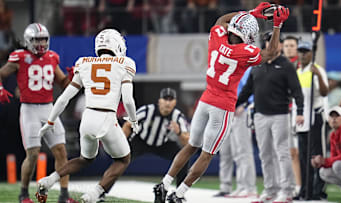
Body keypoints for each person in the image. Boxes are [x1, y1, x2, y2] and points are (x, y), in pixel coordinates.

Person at [153, 3, 290, 203]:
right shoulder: (245, 51)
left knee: (191, 145)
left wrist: (249, 14)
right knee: (206, 155)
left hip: (206, 98)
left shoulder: (217, 36)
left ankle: (164, 184)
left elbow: (222, 20)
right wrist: (277, 25)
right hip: (222, 105)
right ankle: (179, 194)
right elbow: (270, 54)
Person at [35, 28, 138, 203]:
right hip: (107, 118)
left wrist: (50, 121)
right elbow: (128, 99)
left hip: (87, 117)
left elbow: (64, 98)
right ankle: (93, 195)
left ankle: (49, 180)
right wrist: (133, 120)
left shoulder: (84, 63)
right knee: (123, 159)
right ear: (118, 45)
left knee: (85, 159)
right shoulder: (125, 63)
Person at [0, 23, 76, 203]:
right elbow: (1, 73)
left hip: (49, 109)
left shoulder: (52, 57)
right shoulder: (20, 57)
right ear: (28, 41)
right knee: (33, 154)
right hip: (29, 109)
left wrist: (73, 78)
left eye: (43, 39)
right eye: (36, 40)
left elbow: (63, 83)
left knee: (61, 152)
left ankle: (64, 194)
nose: (41, 43)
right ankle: (24, 193)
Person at [237, 31, 304, 203]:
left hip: (280, 115)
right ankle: (270, 190)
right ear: (265, 44)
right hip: (260, 115)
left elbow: (297, 91)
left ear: (280, 45)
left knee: (282, 153)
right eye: (268, 41)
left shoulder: (286, 65)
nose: (272, 44)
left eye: (275, 42)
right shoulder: (257, 64)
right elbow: (247, 90)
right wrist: (233, 104)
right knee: (265, 154)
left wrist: (301, 111)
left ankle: (287, 190)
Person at [293, 40, 329, 200]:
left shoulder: (317, 70)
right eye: (300, 51)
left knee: (317, 156)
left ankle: (318, 191)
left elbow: (324, 92)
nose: (302, 54)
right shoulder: (297, 71)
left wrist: (319, 76)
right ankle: (305, 191)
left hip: (315, 116)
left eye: (306, 51)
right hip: (301, 120)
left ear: (311, 53)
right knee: (303, 157)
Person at [214, 66, 257, 198]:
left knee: (244, 151)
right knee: (229, 151)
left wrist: (244, 105)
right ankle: (237, 186)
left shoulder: (248, 67)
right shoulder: (224, 66)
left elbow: (254, 88)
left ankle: (249, 188)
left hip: (240, 111)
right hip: (226, 111)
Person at [312, 106, 341, 203]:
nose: (334, 119)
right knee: (324, 172)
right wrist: (322, 162)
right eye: (331, 116)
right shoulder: (334, 134)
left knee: (338, 165)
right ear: (328, 120)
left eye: (337, 116)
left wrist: (325, 161)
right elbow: (334, 158)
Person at [283, 34, 302, 196]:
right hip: (282, 111)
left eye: (292, 45)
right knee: (286, 151)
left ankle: (299, 185)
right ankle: (289, 184)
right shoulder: (280, 64)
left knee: (296, 151)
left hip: (296, 111)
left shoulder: (301, 65)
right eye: (286, 45)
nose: (289, 48)